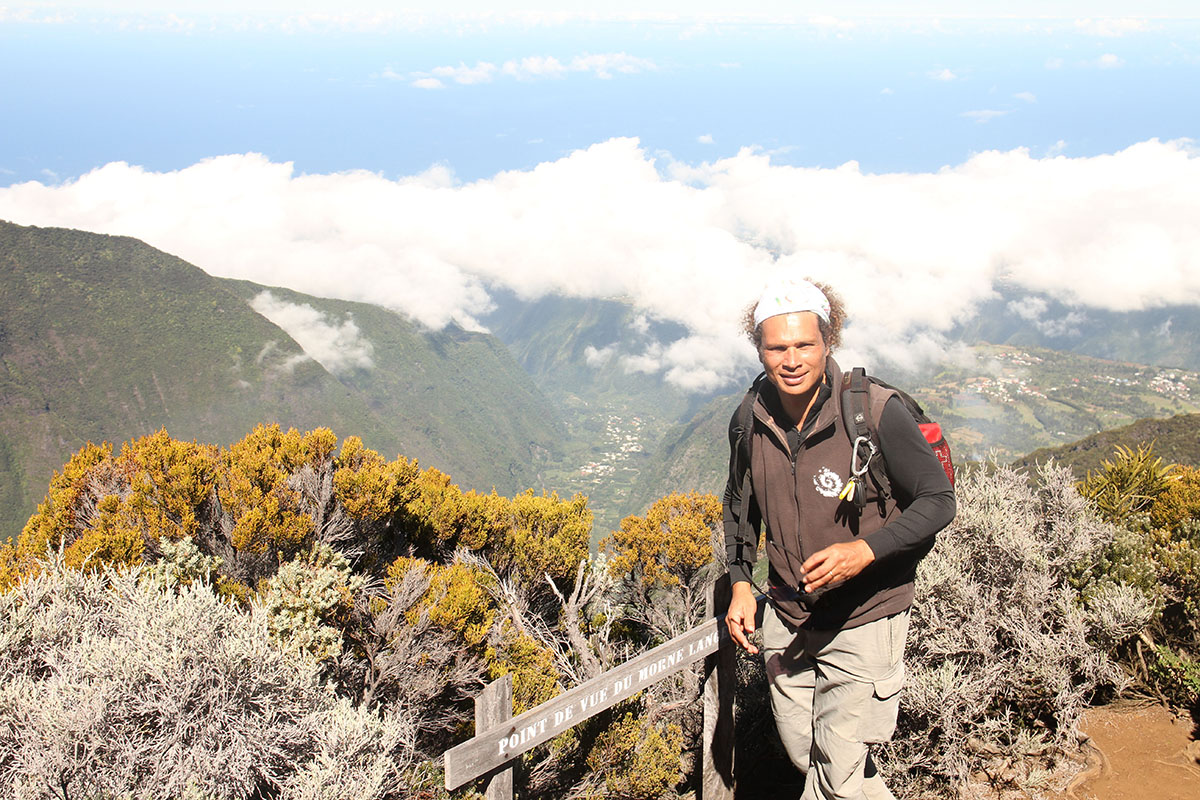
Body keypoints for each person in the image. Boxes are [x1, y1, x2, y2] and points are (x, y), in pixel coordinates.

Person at [722, 277, 956, 800]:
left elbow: (938, 501)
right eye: (776, 347)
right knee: (810, 754)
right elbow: (740, 507)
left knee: (837, 773)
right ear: (758, 350)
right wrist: (741, 582)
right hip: (788, 615)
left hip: (865, 615)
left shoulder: (874, 410)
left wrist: (864, 551)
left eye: (804, 344)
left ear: (829, 341)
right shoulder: (748, 418)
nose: (791, 359)